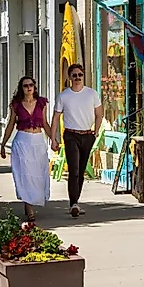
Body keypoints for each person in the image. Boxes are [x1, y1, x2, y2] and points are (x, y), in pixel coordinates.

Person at [51, 64, 103, 218]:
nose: (78, 78)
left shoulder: (92, 94)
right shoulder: (63, 96)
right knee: (73, 170)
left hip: (87, 135)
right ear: (69, 77)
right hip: (71, 135)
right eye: (74, 75)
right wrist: (53, 138)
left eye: (80, 74)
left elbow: (99, 114)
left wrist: (96, 131)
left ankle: (76, 202)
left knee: (80, 171)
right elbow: (55, 117)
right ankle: (73, 203)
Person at [0, 76, 52, 223]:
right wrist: (3, 144)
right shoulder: (16, 105)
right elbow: (11, 124)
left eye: (31, 85)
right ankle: (29, 209)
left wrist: (53, 139)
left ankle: (29, 200)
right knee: (26, 175)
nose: (28, 88)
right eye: (25, 85)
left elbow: (45, 123)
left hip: (38, 142)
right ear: (21, 88)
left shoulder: (41, 103)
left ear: (34, 87)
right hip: (23, 141)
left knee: (38, 174)